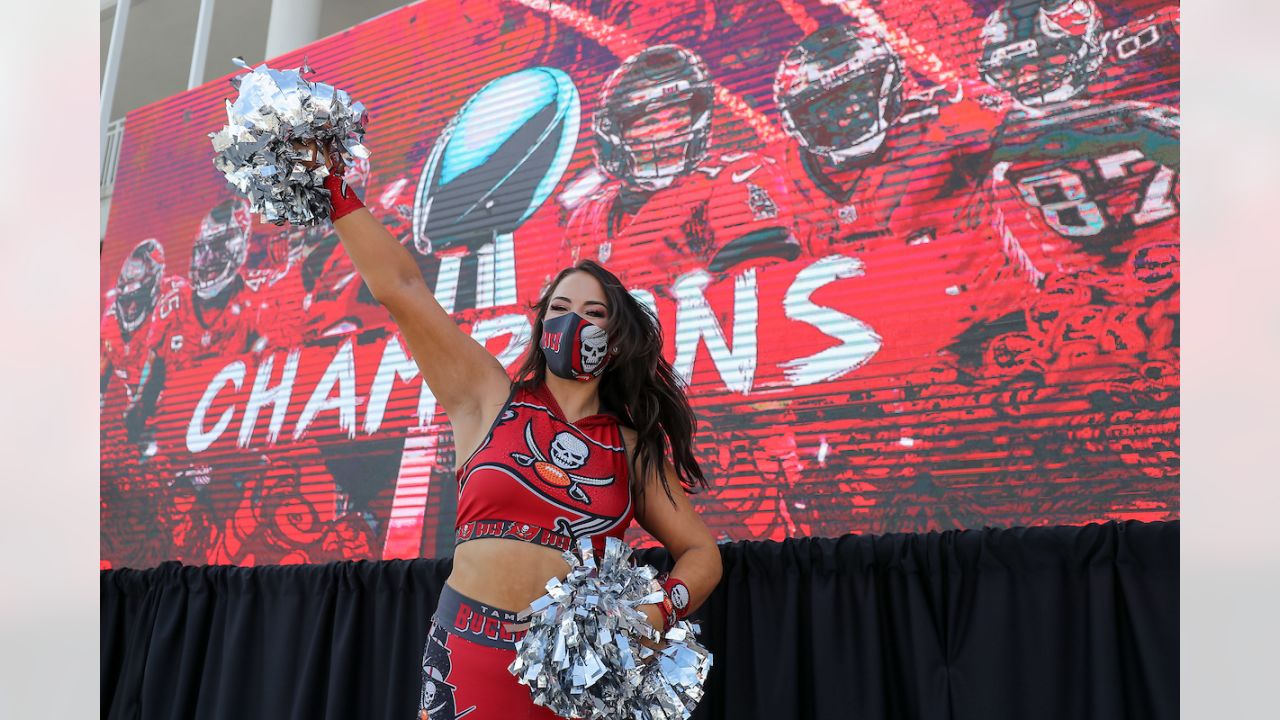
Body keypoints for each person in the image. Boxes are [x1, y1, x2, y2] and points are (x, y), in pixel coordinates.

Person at [311, 149, 724, 720]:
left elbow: (701, 552)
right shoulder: (487, 396)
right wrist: (332, 185)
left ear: (618, 334)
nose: (572, 321)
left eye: (592, 311)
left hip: (578, 675)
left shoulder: (630, 446)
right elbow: (401, 287)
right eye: (558, 307)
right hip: (466, 652)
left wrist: (656, 614)